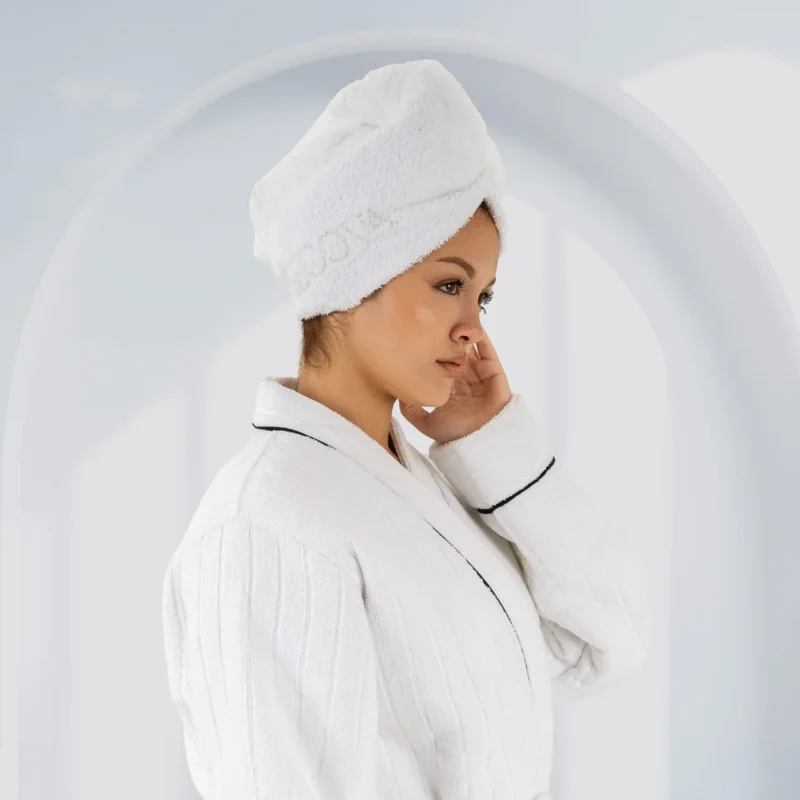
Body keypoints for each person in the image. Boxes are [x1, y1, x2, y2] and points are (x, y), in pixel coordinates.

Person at [161, 58, 649, 800]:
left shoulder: (416, 492)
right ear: (352, 278)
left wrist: (493, 446)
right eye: (449, 285)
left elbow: (603, 642)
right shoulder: (267, 527)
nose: (472, 328)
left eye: (484, 297)